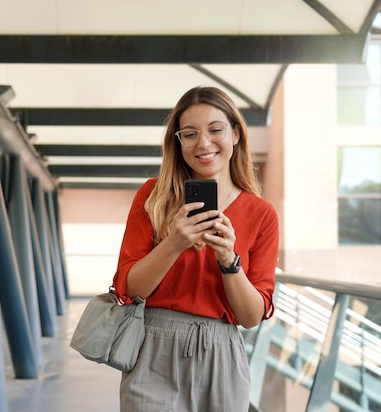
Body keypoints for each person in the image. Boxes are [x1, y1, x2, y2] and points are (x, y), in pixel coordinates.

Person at [112, 86, 279, 412]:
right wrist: (174, 242)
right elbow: (130, 288)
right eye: (190, 134)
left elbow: (251, 316)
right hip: (153, 348)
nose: (203, 143)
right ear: (178, 142)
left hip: (222, 353)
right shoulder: (153, 196)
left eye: (215, 130)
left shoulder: (261, 214)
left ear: (235, 134)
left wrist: (230, 261)